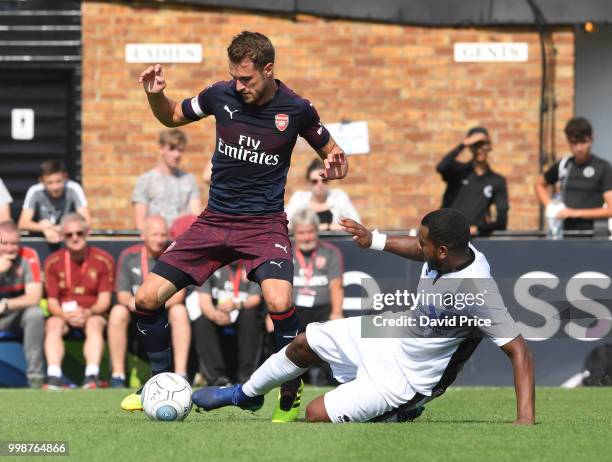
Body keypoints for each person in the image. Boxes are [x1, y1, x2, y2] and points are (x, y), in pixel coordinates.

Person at [121, 31, 347, 423]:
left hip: (264, 225)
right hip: (213, 221)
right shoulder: (218, 95)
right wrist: (155, 94)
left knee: (279, 303)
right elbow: (172, 114)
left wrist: (337, 167)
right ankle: (157, 383)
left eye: (246, 79)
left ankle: (290, 393)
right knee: (145, 299)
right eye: (235, 77)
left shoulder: (297, 109)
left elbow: (333, 153)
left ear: (268, 69)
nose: (238, 86)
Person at [192, 209, 535, 425]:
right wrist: (374, 240)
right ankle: (245, 394)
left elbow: (519, 351)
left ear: (442, 251)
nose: (418, 246)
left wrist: (524, 420)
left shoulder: (477, 290)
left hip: (407, 380)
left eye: (424, 243)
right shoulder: (452, 252)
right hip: (393, 331)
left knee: (315, 415)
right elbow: (419, 249)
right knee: (304, 343)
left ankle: (401, 411)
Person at [108, 216, 191, 387]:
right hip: (135, 310)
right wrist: (137, 303)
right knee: (117, 312)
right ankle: (117, 375)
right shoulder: (129, 256)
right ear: (143, 235)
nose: (160, 240)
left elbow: (179, 296)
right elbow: (122, 294)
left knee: (180, 311)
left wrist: (153, 304)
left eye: (163, 235)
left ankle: (181, 374)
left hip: (165, 308)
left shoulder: (174, 254)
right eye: (154, 235)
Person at [43, 213, 114, 389]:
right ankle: (53, 376)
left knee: (95, 324)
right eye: (69, 234)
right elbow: (52, 302)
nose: (74, 238)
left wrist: (88, 312)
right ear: (62, 236)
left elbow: (105, 300)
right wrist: (65, 316)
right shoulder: (52, 262)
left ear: (87, 233)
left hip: (92, 313)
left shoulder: (103, 260)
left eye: (79, 233)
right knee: (52, 324)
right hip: (63, 314)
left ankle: (92, 376)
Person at [535, 117, 612, 232]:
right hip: (565, 233)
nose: (579, 148)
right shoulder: (564, 165)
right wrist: (551, 206)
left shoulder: (603, 168)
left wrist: (575, 213)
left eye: (583, 142)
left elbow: (610, 210)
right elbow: (539, 183)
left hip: (594, 235)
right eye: (574, 143)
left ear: (591, 139)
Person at [193, 261, 262, 386]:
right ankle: (216, 378)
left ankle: (246, 377)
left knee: (250, 315)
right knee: (202, 319)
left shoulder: (252, 266)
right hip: (216, 314)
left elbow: (255, 299)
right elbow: (204, 301)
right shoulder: (208, 265)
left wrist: (237, 305)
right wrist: (214, 315)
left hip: (241, 312)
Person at [436, 127, 508, 236]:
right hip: (447, 235)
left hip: (474, 240)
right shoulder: (458, 171)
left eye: (483, 144)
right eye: (475, 145)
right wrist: (463, 144)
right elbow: (441, 167)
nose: (480, 149)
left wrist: (478, 228)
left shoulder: (496, 180)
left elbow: (502, 221)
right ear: (470, 147)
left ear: (489, 146)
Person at [0, 220, 45, 387]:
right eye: (5, 243)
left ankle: (35, 377)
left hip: (14, 317)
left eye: (15, 243)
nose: (11, 248)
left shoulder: (28, 255)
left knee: (35, 314)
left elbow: (34, 297)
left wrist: (5, 304)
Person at [132, 128, 202, 230]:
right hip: (156, 241)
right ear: (161, 149)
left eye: (180, 150)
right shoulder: (145, 180)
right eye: (172, 149)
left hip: (182, 240)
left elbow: (196, 217)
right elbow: (140, 225)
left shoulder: (189, 180)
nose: (177, 155)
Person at [290, 208, 344, 326]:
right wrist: (273, 315)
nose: (306, 238)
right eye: (301, 233)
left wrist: (336, 313)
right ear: (294, 233)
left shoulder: (330, 252)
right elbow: (276, 287)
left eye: (310, 232)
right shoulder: (285, 253)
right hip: (292, 311)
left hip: (323, 311)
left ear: (317, 230)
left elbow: (336, 286)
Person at [18, 160, 90, 244]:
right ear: (41, 181)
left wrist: (56, 229)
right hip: (42, 241)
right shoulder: (35, 191)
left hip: (69, 240)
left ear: (65, 177)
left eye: (58, 181)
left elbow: (87, 222)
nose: (55, 187)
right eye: (50, 183)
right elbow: (22, 224)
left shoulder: (74, 188)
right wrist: (44, 229)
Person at [285, 158, 359, 231]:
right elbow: (285, 225)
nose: (320, 184)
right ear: (308, 182)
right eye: (315, 181)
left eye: (324, 180)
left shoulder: (338, 197)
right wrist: (327, 227)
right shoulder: (299, 198)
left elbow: (356, 225)